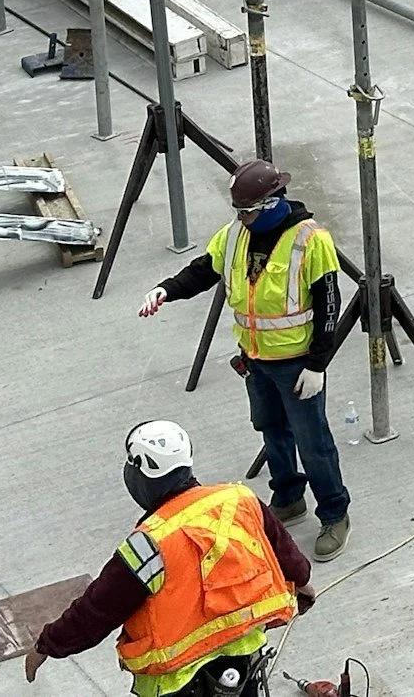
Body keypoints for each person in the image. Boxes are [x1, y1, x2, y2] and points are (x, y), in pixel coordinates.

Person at [138, 161, 352, 560]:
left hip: (296, 364)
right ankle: (288, 498)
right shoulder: (236, 234)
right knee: (271, 431)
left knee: (314, 442)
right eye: (238, 211)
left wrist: (317, 365)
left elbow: (328, 305)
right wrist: (166, 289)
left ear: (272, 204)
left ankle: (335, 514)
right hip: (256, 361)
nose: (241, 218)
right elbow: (204, 270)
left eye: (247, 211)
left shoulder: (310, 240)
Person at [23, 420, 312, 697]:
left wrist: (47, 644)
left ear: (140, 472)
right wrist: (303, 584)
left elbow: (98, 610)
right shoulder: (239, 499)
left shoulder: (148, 545)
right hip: (243, 660)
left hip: (177, 682)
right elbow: (285, 552)